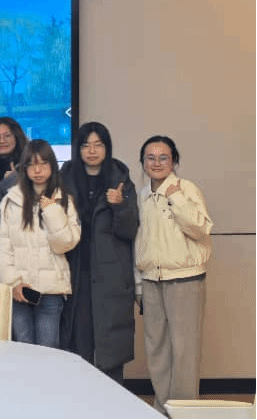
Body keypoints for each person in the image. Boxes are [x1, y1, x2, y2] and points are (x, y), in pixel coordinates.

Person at [135, 135, 212, 413]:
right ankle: (163, 408)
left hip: (185, 280)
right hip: (151, 281)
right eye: (150, 158)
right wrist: (139, 284)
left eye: (163, 157)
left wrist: (176, 198)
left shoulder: (186, 189)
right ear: (143, 162)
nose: (156, 163)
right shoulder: (143, 194)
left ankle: (185, 411)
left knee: (184, 352)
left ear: (174, 161)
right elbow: (139, 239)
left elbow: (201, 229)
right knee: (156, 350)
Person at [60, 122, 139, 384]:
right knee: (77, 344)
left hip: (110, 275)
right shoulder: (65, 179)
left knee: (110, 346)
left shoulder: (120, 180)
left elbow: (129, 230)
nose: (92, 151)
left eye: (98, 145)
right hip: (76, 273)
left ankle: (112, 402)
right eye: (86, 145)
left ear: (107, 148)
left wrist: (119, 206)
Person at [0, 139, 80, 347]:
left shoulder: (63, 200)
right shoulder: (11, 200)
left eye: (43, 163)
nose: (37, 170)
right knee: (23, 348)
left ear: (52, 165)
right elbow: (1, 247)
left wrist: (52, 211)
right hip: (19, 290)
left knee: (48, 350)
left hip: (51, 291)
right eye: (31, 165)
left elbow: (65, 244)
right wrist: (13, 283)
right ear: (24, 168)